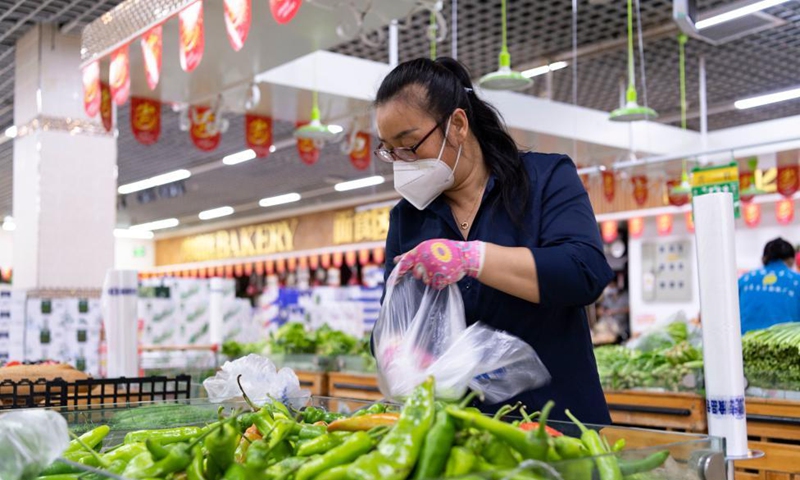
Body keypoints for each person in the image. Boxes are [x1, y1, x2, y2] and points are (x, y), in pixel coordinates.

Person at [374, 57, 614, 424]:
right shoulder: (408, 219)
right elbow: (394, 317)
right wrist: (394, 351)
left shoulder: (545, 179)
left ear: (457, 124)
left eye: (408, 145)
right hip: (456, 431)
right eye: (390, 150)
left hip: (558, 424)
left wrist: (473, 258)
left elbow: (584, 273)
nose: (400, 161)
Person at [739, 238, 800, 334]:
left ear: (764, 258)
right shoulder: (796, 280)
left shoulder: (744, 280)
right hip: (785, 345)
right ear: (791, 260)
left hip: (744, 343)